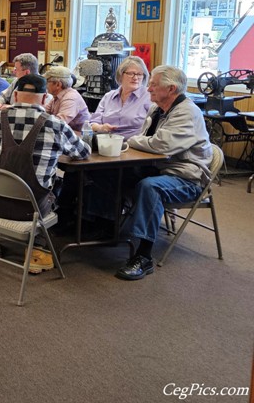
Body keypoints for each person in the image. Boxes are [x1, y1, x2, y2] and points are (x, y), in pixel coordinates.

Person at [0, 73, 91, 272]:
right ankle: (38, 249)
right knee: (55, 186)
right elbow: (83, 153)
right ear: (45, 98)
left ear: (16, 96)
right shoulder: (54, 124)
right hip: (31, 209)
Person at [114, 65, 213, 281]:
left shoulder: (187, 112)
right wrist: (139, 142)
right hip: (160, 167)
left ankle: (143, 256)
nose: (148, 88)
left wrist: (132, 140)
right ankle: (102, 226)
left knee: (150, 187)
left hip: (187, 178)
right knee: (112, 173)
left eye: (153, 84)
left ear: (171, 89)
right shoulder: (156, 109)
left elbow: (162, 145)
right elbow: (148, 141)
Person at [89, 56, 152, 140]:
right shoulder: (108, 96)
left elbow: (153, 127)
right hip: (106, 141)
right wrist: (101, 128)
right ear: (121, 75)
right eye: (131, 73)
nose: (135, 78)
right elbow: (93, 123)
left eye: (139, 74)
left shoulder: (149, 96)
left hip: (134, 145)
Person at [43, 66, 90, 134]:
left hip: (78, 139)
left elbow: (58, 124)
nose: (45, 85)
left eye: (47, 81)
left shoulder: (70, 98)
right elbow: (44, 113)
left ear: (58, 84)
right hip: (67, 135)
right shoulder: (57, 96)